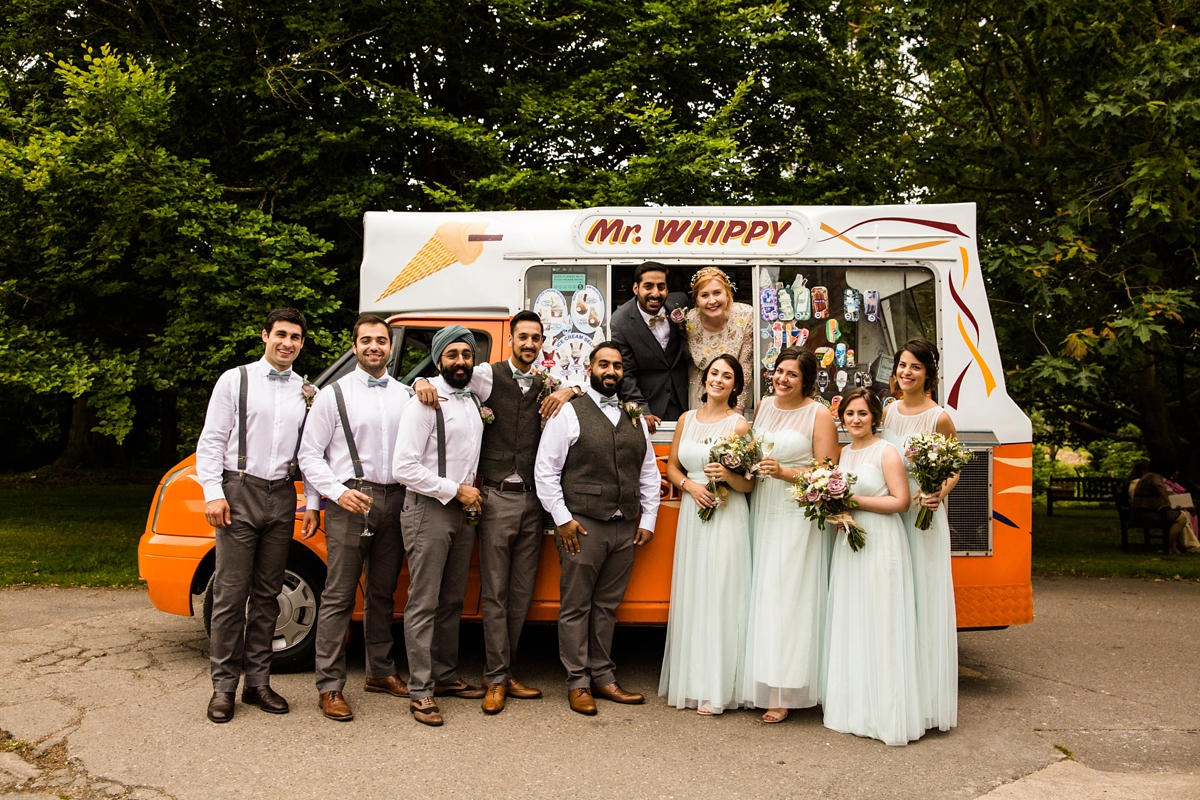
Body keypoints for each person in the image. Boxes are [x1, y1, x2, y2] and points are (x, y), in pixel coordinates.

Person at [413, 311, 578, 714]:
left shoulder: (547, 382)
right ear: (512, 341)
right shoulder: (486, 374)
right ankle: (495, 676)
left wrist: (569, 390)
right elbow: (444, 378)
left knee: (521, 592)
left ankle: (505, 672)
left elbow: (587, 382)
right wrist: (417, 382)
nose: (528, 344)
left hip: (533, 501)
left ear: (542, 343)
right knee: (496, 591)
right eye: (522, 337)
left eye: (535, 338)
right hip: (495, 496)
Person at [195, 308, 320, 724]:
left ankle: (259, 683)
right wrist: (213, 493)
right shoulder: (236, 380)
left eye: (296, 337)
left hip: (282, 495)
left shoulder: (306, 390)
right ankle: (223, 688)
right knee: (231, 595)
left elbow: (311, 454)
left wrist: (312, 502)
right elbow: (211, 441)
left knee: (269, 594)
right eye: (281, 335)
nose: (288, 343)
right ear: (265, 335)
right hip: (239, 489)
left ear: (303, 343)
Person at [534, 342, 661, 715]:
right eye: (604, 364)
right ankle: (578, 683)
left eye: (618, 366)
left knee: (606, 607)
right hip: (583, 526)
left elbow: (648, 473)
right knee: (576, 606)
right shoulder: (568, 413)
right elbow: (546, 471)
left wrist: (649, 519)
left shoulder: (634, 417)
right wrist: (563, 519)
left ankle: (604, 677)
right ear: (589, 369)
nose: (611, 371)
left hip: (624, 527)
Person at [297, 314, 412, 722]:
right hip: (350, 500)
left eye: (381, 340)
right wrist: (336, 493)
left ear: (391, 346)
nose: (375, 347)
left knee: (383, 593)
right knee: (339, 594)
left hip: (396, 500)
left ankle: (380, 671)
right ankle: (330, 686)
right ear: (354, 345)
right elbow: (310, 454)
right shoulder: (333, 396)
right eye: (366, 340)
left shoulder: (407, 394)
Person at [391, 325, 488, 726]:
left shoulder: (473, 394)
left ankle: (445, 676)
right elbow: (404, 467)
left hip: (462, 511)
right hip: (429, 508)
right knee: (424, 602)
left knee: (452, 600)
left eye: (466, 354)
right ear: (438, 360)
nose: (461, 362)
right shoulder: (423, 403)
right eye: (452, 355)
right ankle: (421, 691)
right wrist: (455, 490)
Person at [741, 347, 838, 723]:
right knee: (764, 592)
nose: (782, 379)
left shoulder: (819, 414)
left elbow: (828, 473)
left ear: (807, 380)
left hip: (797, 512)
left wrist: (783, 473)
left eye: (792, 374)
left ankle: (786, 691)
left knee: (791, 596)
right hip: (763, 508)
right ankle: (764, 680)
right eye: (779, 372)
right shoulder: (764, 406)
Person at [824, 388, 923, 746]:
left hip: (881, 541)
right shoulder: (844, 453)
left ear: (875, 417)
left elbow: (901, 501)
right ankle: (855, 711)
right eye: (849, 413)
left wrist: (854, 500)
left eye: (862, 413)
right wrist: (838, 513)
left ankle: (886, 714)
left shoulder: (887, 452)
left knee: (882, 621)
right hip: (851, 545)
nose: (855, 419)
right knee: (855, 620)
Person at [659, 355, 754, 715]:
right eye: (714, 373)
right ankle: (696, 682)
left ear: (735, 386)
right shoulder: (686, 419)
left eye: (727, 376)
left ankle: (722, 688)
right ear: (704, 379)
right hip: (693, 512)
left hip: (727, 516)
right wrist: (690, 487)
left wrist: (725, 477)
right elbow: (671, 466)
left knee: (723, 595)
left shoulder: (740, 426)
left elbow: (748, 483)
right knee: (696, 594)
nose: (718, 380)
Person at [880, 338, 959, 732]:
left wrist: (938, 492)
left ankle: (927, 702)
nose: (906, 373)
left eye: (914, 367)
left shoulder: (939, 417)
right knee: (897, 600)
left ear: (928, 374)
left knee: (924, 600)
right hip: (894, 517)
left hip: (922, 516)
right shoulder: (888, 411)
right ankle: (897, 691)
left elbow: (954, 463)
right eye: (902, 366)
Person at [610, 261, 691, 432]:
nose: (655, 293)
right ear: (635, 288)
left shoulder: (680, 303)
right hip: (650, 406)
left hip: (686, 399)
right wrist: (641, 409)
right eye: (648, 286)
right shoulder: (620, 322)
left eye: (661, 287)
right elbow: (626, 373)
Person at [683, 267, 754, 411]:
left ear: (727, 293)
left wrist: (738, 406)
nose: (712, 301)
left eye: (717, 293)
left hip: (736, 389)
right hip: (701, 390)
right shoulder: (688, 321)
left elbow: (745, 365)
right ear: (696, 299)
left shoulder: (745, 315)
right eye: (704, 295)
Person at [1129, 461, 1200, 554]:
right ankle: (1169, 547)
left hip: (1146, 510)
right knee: (1181, 518)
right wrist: (1167, 502)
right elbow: (1159, 485)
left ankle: (1176, 546)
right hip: (1147, 512)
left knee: (1179, 515)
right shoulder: (1154, 476)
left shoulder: (1147, 477)